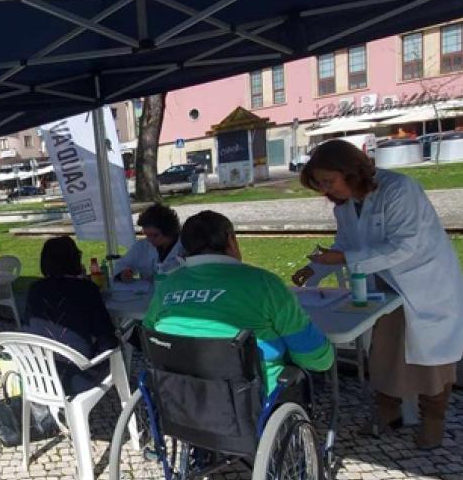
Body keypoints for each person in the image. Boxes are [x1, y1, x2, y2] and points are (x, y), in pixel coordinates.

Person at [292, 139, 463, 448]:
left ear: (351, 171)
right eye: (319, 184)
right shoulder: (346, 205)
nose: (325, 191)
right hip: (384, 285)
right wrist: (314, 269)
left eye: (329, 181)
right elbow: (346, 243)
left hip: (425, 283)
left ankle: (433, 420)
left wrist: (344, 259)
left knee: (432, 359)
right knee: (384, 353)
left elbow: (405, 245)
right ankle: (389, 412)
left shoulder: (399, 189)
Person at [145, 211, 333, 398]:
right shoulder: (264, 284)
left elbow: (149, 333)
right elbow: (316, 357)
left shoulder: (168, 285)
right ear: (231, 240)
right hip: (252, 401)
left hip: (183, 400)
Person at [25, 236, 118, 395]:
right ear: (75, 259)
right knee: (117, 344)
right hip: (78, 376)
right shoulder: (86, 289)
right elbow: (106, 334)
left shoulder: (35, 289)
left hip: (39, 373)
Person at [114, 204, 185, 284]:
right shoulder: (142, 246)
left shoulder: (186, 247)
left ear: (169, 232)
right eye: (147, 235)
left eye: (155, 235)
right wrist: (124, 273)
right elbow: (121, 264)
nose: (149, 240)